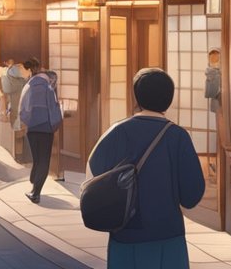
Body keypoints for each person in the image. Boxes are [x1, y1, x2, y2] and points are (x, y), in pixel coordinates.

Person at [90, 68, 205, 268]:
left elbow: (93, 175)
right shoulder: (178, 136)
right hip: (167, 236)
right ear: (169, 98)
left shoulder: (116, 132)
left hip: (125, 235)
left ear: (137, 96)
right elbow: (192, 195)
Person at [18, 58, 61, 203]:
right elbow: (54, 105)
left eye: (23, 70)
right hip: (47, 127)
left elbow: (25, 106)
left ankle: (34, 188)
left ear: (30, 70)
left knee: (37, 158)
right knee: (43, 160)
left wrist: (26, 121)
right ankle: (36, 189)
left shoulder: (32, 85)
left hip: (33, 127)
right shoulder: (50, 83)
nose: (22, 74)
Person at [204, 49, 222, 179]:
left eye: (216, 57)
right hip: (218, 104)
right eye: (212, 57)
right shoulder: (211, 72)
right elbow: (210, 92)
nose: (214, 59)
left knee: (222, 135)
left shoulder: (217, 71)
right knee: (219, 134)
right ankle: (218, 163)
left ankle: (220, 164)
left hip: (228, 105)